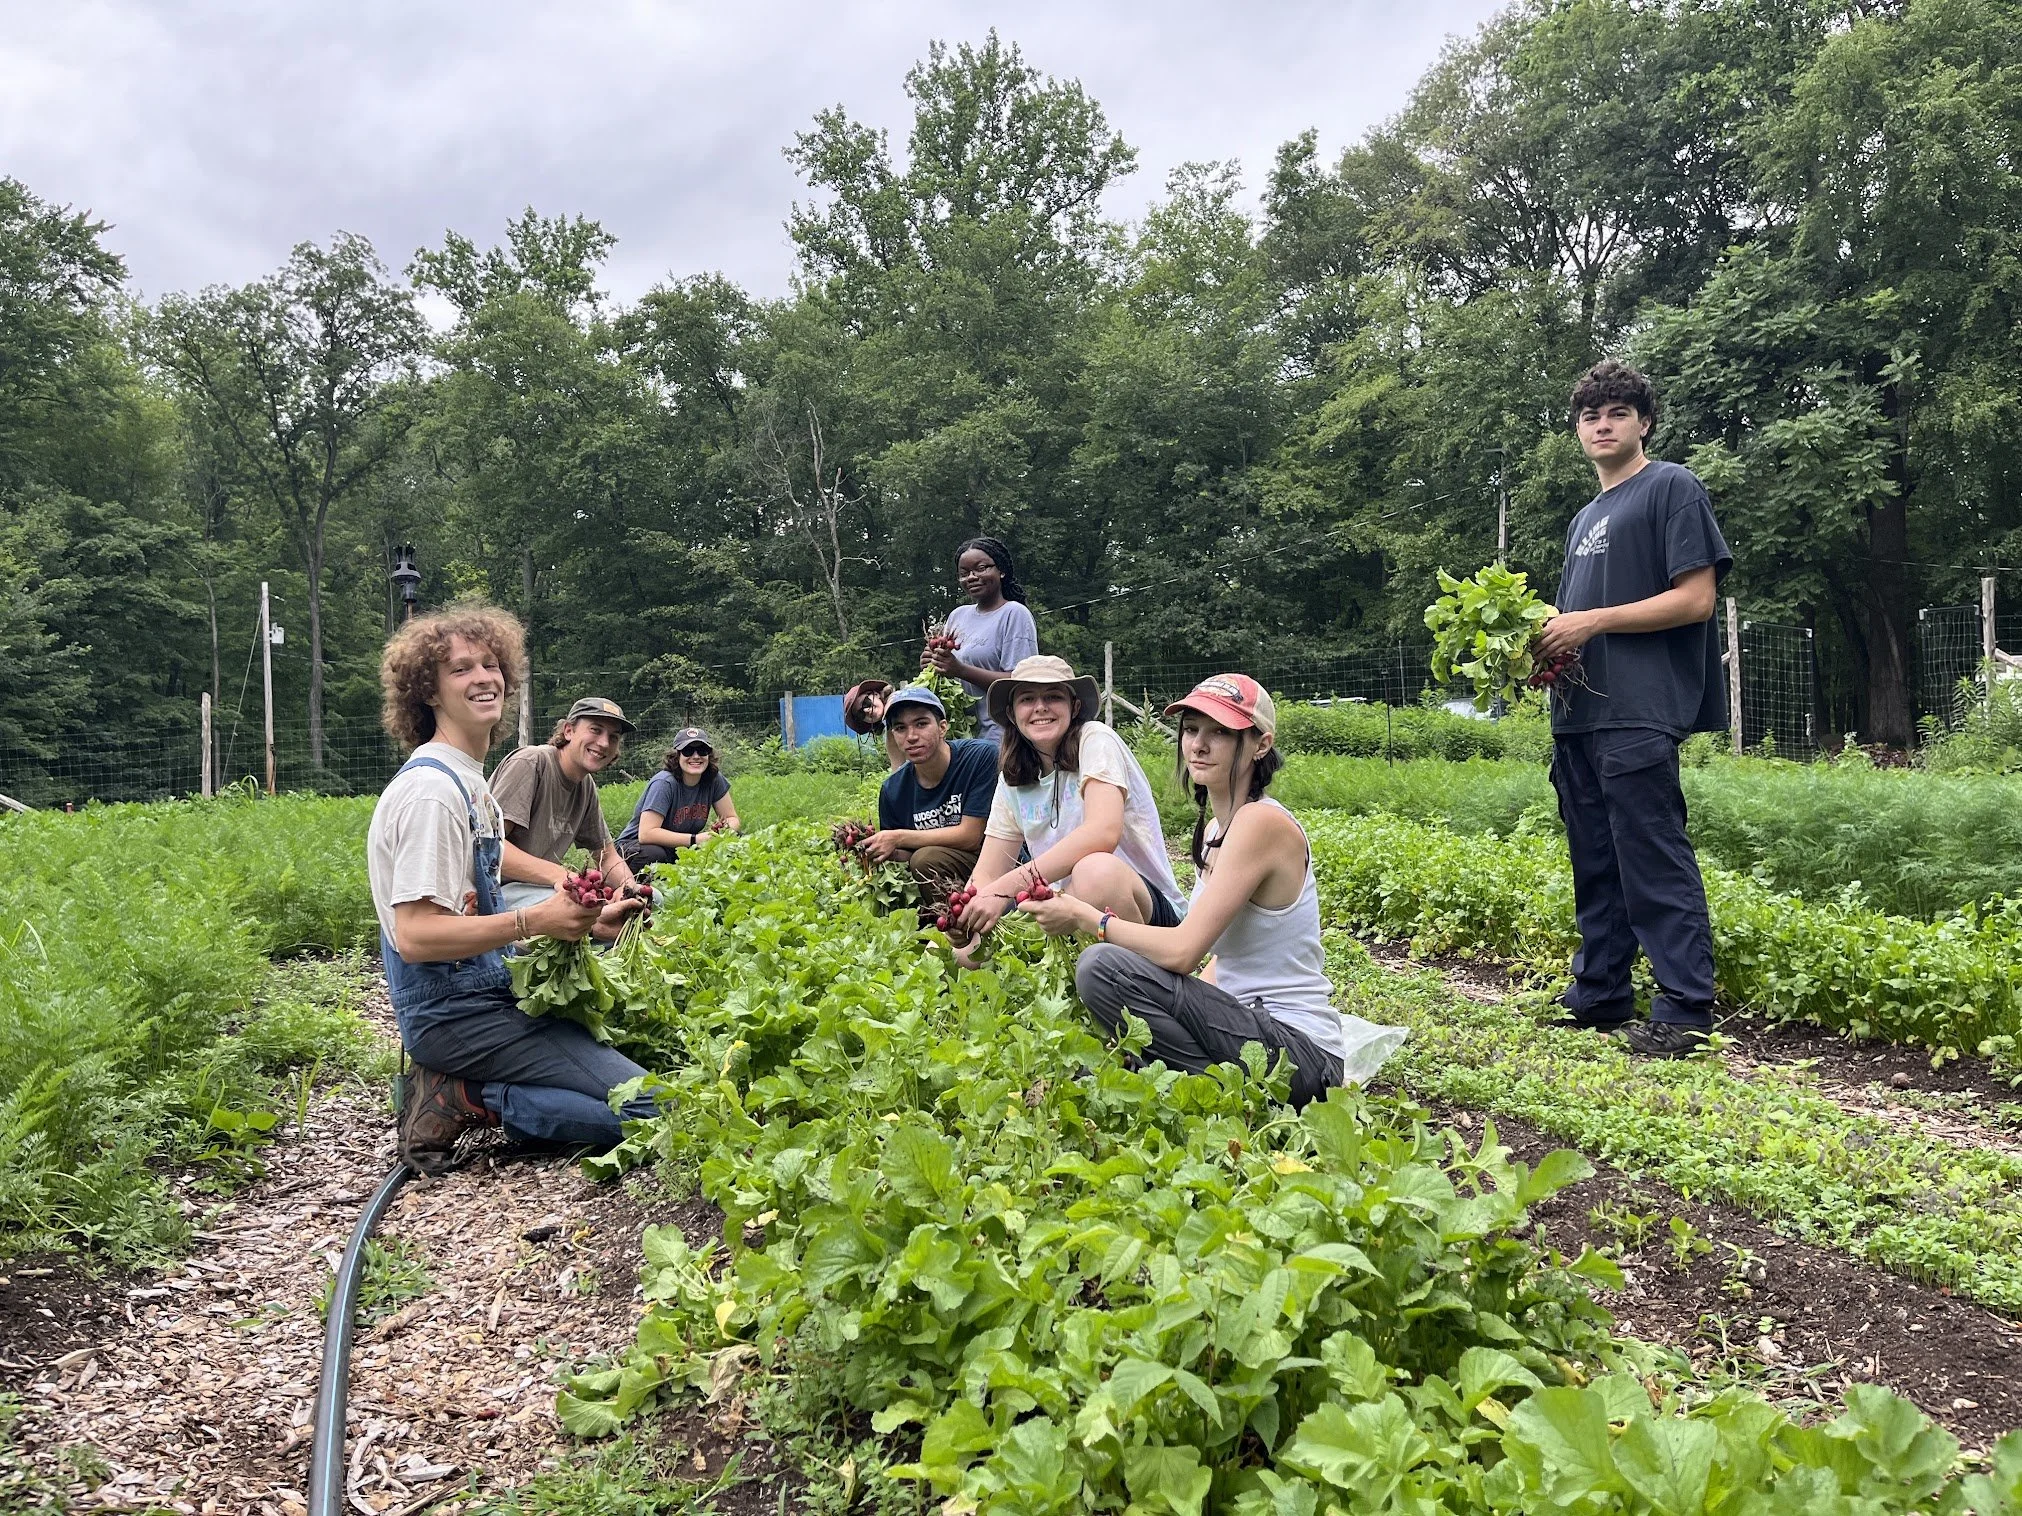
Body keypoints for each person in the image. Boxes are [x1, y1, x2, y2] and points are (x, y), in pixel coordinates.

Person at [1023, 675, 1406, 1106]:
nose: (1198, 745)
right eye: (1191, 730)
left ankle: (1203, 1089)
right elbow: (1218, 963)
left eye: (1220, 733)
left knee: (1102, 967)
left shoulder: (1262, 824)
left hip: (1296, 1059)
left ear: (1261, 744)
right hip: (1252, 1033)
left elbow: (1184, 952)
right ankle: (1190, 1083)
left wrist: (1083, 916)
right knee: (1120, 978)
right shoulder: (1215, 831)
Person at [366, 605, 654, 1176]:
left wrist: (585, 924)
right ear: (427, 692)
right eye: (461, 669)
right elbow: (417, 936)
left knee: (634, 1091)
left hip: (486, 992)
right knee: (655, 1108)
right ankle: (468, 1097)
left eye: (492, 664)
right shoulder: (432, 793)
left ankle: (477, 1091)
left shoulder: (470, 784)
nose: (483, 677)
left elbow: (478, 909)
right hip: (452, 1014)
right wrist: (536, 921)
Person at [1534, 359, 1733, 1058]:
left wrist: (1589, 622)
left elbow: (1695, 599)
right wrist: (1545, 645)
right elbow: (1573, 620)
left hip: (1640, 708)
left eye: (1618, 412)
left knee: (1651, 857)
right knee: (1595, 858)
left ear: (1643, 423)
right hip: (1579, 713)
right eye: (1591, 415)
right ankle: (1601, 992)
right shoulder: (1585, 516)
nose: (1602, 424)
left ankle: (1683, 1010)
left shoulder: (1671, 488)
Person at [954, 655, 1185, 950]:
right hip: (1063, 913)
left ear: (1074, 708)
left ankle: (1149, 983)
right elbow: (987, 871)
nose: (1040, 707)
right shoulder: (1014, 777)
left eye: (1053, 696)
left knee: (1095, 871)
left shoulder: (1095, 739)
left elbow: (1102, 833)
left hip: (1143, 914)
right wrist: (966, 914)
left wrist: (1003, 890)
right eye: (1027, 699)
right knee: (965, 952)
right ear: (1012, 713)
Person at [492, 696, 640, 918]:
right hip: (493, 890)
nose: (604, 743)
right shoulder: (532, 763)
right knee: (578, 909)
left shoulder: (585, 786)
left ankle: (599, 927)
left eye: (613, 737)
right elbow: (490, 848)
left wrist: (631, 891)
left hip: (538, 887)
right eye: (595, 730)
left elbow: (607, 855)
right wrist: (562, 876)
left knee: (651, 899)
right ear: (569, 731)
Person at [861, 686, 998, 886]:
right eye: (900, 728)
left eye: (921, 724)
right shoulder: (892, 790)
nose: (911, 736)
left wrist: (898, 837)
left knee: (925, 859)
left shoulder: (979, 757)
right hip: (942, 871)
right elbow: (904, 855)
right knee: (922, 859)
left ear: (943, 727)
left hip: (997, 866)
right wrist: (874, 849)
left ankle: (966, 916)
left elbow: (971, 836)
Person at [923, 537, 1039, 746]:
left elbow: (1023, 683)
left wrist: (961, 670)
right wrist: (933, 665)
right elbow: (949, 675)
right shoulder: (958, 616)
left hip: (1003, 738)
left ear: (1001, 570)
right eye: (964, 573)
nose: (971, 577)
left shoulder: (1014, 614)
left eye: (981, 568)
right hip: (960, 736)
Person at [615, 726, 740, 868]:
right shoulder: (664, 783)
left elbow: (732, 818)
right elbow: (646, 833)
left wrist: (720, 835)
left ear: (708, 755)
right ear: (677, 756)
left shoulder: (713, 778)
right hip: (635, 847)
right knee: (655, 855)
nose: (696, 756)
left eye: (702, 751)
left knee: (737, 838)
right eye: (688, 751)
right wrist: (695, 840)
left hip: (677, 847)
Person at [842, 678, 904, 771]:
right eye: (860, 714)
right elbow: (899, 770)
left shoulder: (902, 703)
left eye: (865, 703)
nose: (866, 711)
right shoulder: (890, 730)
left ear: (875, 694)